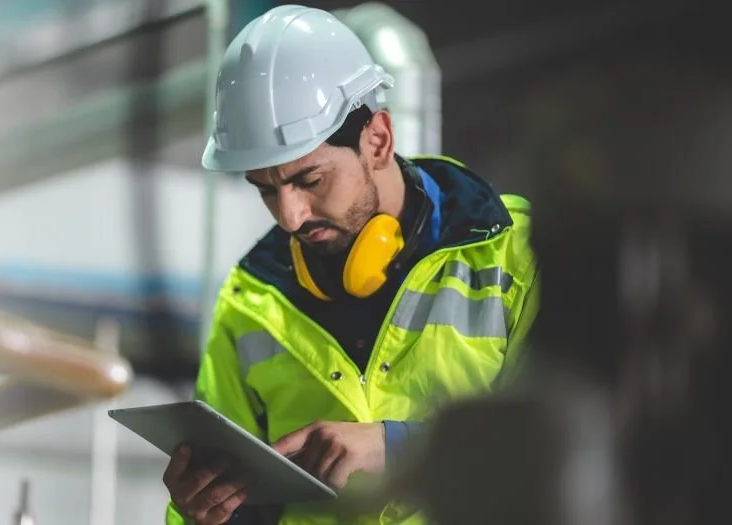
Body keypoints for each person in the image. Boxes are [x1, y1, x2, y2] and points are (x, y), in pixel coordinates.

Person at [163, 5, 539, 524]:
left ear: (378, 141)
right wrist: (200, 513)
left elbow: (570, 455)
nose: (290, 216)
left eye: (310, 181)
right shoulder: (252, 300)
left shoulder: (513, 257)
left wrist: (401, 448)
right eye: (265, 190)